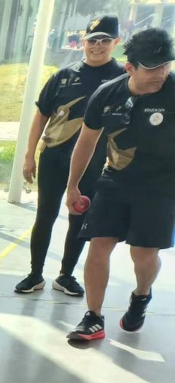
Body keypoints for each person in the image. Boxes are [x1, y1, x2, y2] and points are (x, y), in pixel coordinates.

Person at [66, 27, 175, 341]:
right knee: (98, 245)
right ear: (130, 67)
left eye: (166, 65)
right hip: (115, 180)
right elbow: (86, 142)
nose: (161, 73)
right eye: (152, 68)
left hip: (161, 186)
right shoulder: (107, 94)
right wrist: (73, 186)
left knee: (143, 255)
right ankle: (93, 317)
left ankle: (141, 294)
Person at [17, 16, 124, 296]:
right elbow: (41, 117)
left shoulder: (122, 79)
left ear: (116, 42)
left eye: (104, 40)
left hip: (92, 162)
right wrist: (29, 155)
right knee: (45, 215)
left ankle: (65, 275)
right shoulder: (63, 77)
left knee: (79, 217)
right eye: (92, 40)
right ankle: (35, 274)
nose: (97, 46)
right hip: (54, 157)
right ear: (83, 43)